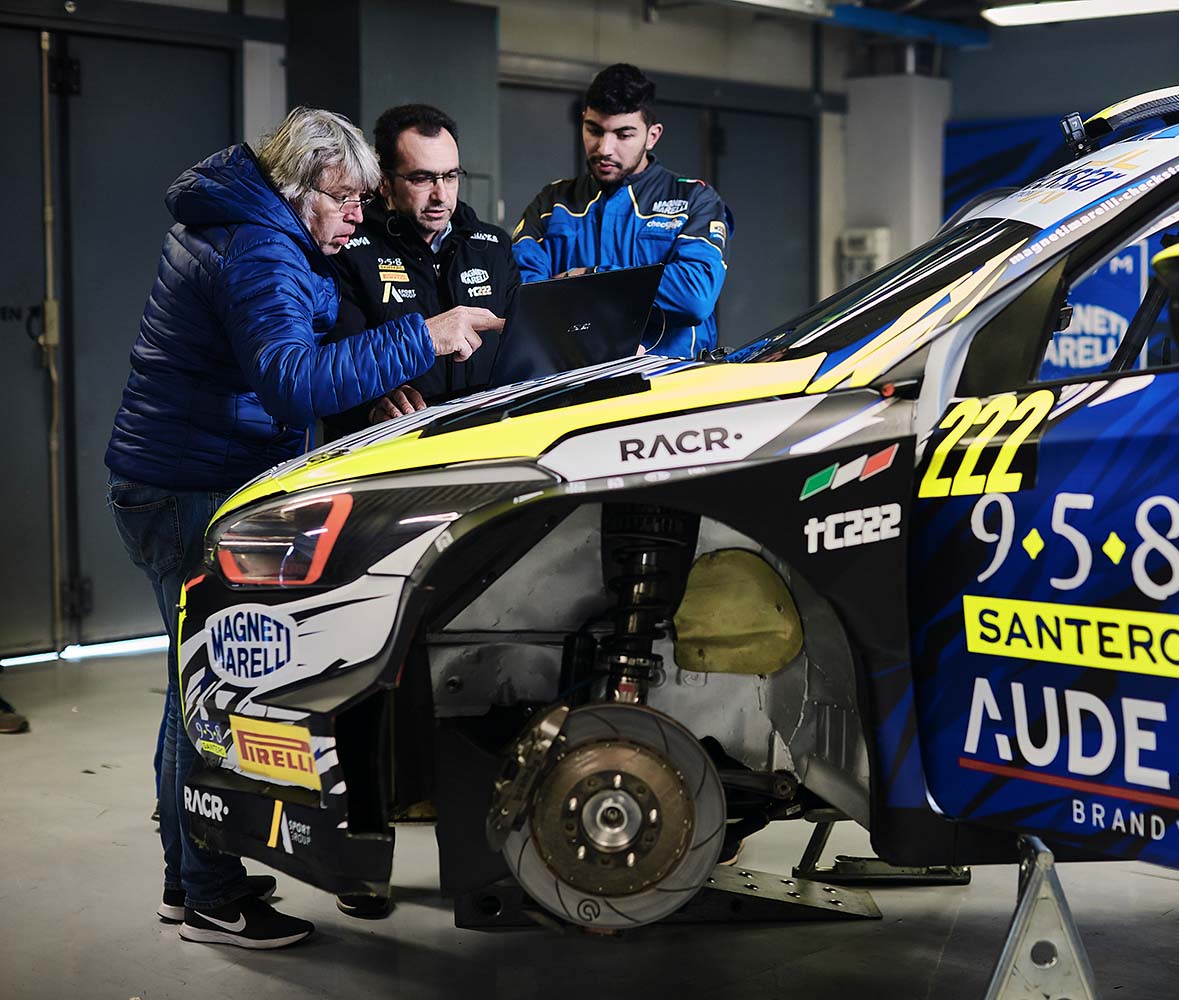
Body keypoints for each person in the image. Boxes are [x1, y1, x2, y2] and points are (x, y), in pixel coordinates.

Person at [104, 107, 502, 950]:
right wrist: (423, 336)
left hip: (178, 478)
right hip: (185, 489)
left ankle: (190, 881)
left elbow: (298, 340)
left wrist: (379, 364)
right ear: (299, 188)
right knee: (202, 695)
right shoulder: (260, 244)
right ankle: (211, 896)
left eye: (364, 197)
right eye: (345, 197)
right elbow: (288, 378)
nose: (359, 215)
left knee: (190, 690)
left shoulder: (260, 225)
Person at [325, 103, 520, 437]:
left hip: (488, 441)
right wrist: (371, 403)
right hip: (391, 450)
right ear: (384, 183)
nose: (440, 194)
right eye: (421, 178)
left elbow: (522, 348)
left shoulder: (494, 246)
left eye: (450, 176)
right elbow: (329, 366)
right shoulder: (346, 249)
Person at [512, 63, 733, 358]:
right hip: (571, 383)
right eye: (594, 130)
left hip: (669, 385)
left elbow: (693, 297)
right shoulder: (552, 203)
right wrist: (631, 291)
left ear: (652, 135)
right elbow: (523, 300)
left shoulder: (696, 200)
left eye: (623, 135)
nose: (604, 148)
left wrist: (587, 278)